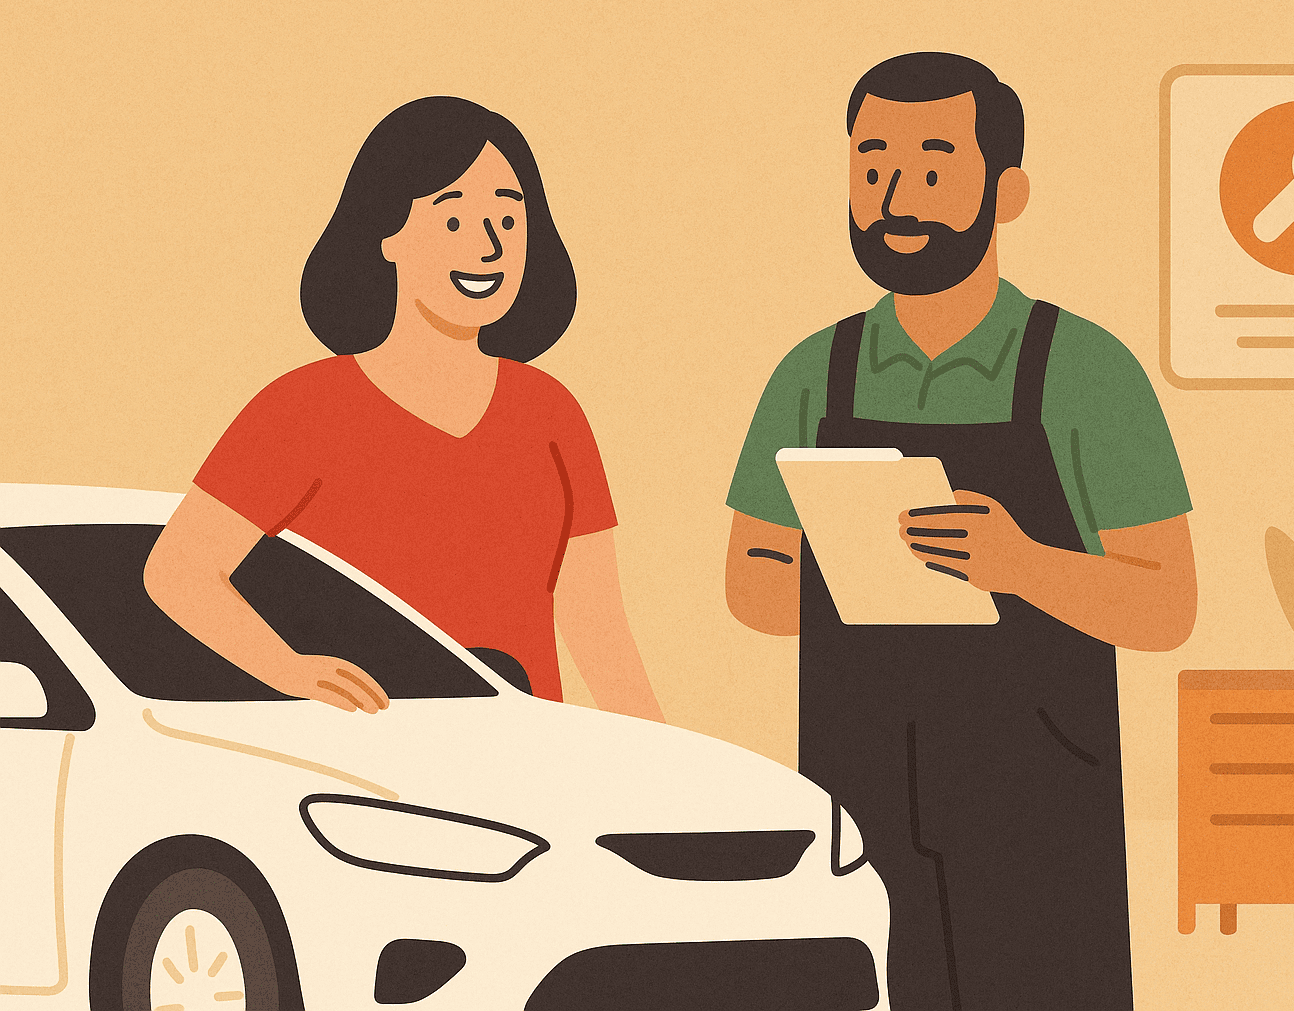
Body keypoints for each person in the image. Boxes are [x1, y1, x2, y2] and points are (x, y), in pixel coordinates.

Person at [724, 54, 1196, 1010]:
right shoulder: (813, 372)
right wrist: (860, 564)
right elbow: (750, 583)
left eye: (934, 166)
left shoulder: (1087, 371)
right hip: (858, 801)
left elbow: (1167, 604)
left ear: (1006, 192)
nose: (896, 197)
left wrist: (1021, 564)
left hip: (1038, 815)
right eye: (871, 165)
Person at [145, 96, 663, 723]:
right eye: (454, 220)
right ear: (386, 235)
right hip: (361, 759)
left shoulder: (551, 413)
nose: (489, 247)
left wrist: (663, 759)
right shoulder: (304, 408)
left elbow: (599, 627)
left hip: (521, 751)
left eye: (508, 219)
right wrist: (288, 669)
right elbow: (179, 571)